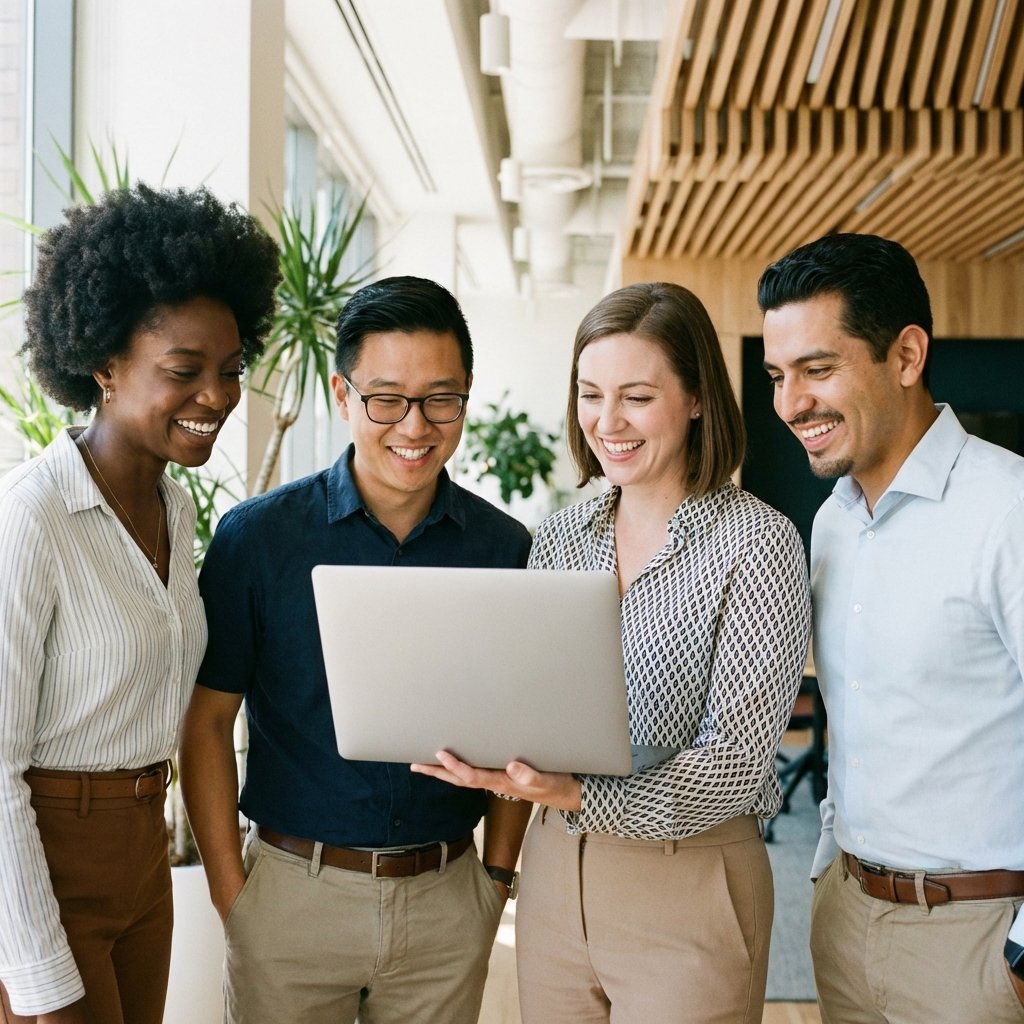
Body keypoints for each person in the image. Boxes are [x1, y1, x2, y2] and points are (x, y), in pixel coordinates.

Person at [413, 281, 812, 1022]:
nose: (607, 421)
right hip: (557, 875)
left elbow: (735, 762)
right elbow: (534, 700)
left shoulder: (757, 543)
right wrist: (488, 747)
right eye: (590, 394)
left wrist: (576, 792)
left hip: (688, 881)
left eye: (636, 396)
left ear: (696, 398)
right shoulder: (564, 534)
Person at [178, 275, 533, 1024]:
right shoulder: (259, 537)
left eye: (442, 398)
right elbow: (207, 722)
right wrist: (229, 894)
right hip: (290, 899)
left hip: (447, 899)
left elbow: (519, 730)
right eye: (386, 398)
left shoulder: (505, 548)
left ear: (466, 396)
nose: (415, 424)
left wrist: (496, 877)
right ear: (344, 397)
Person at [0, 183, 280, 1023]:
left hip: (142, 860)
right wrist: (39, 976)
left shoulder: (175, 505)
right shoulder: (33, 517)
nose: (217, 397)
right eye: (183, 372)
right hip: (48, 863)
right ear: (103, 363)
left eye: (230, 370)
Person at [759, 231, 1024, 1024]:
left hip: (977, 944)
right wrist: (828, 867)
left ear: (905, 356)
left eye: (818, 368)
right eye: (778, 375)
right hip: (847, 919)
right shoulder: (833, 523)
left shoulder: (1009, 510)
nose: (789, 402)